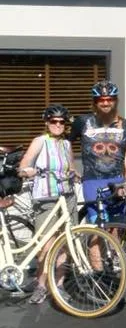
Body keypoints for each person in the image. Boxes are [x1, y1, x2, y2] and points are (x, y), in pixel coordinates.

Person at [18, 104, 77, 304]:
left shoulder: (66, 144)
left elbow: (71, 166)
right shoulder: (40, 141)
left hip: (67, 197)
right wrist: (29, 171)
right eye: (54, 121)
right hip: (46, 198)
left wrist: (75, 174)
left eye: (62, 122)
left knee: (65, 243)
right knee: (46, 245)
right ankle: (41, 285)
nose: (58, 125)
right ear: (47, 123)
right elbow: (23, 166)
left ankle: (58, 285)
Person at [70, 80, 126, 222]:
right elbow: (65, 144)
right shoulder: (82, 121)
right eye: (101, 100)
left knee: (117, 227)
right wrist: (71, 166)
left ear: (116, 101)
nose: (106, 103)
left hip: (117, 181)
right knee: (99, 226)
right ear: (95, 102)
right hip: (92, 182)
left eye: (109, 99)